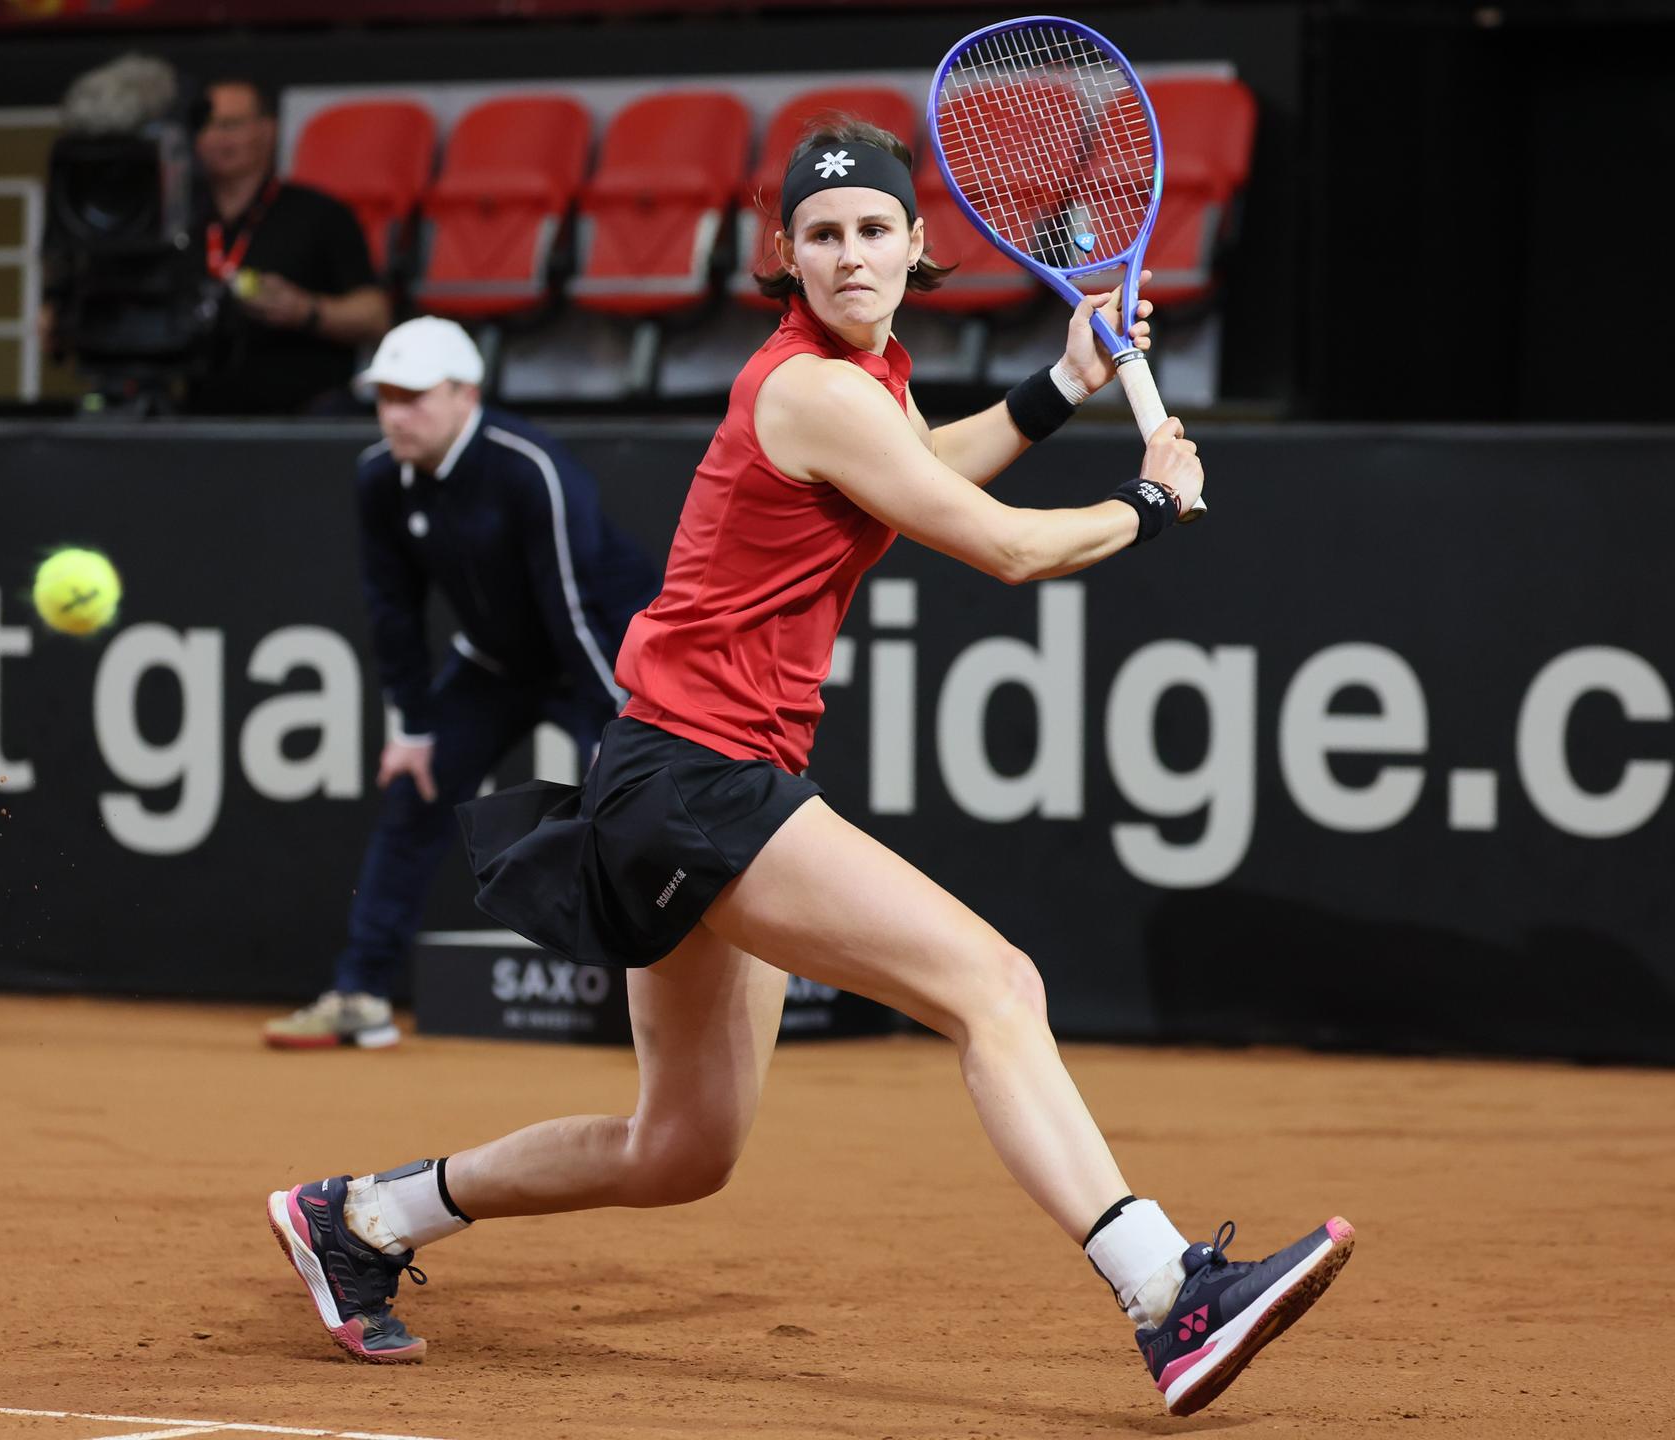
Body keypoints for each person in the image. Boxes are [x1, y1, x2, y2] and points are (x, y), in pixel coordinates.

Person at [265, 120, 1352, 1416]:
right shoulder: (813, 387)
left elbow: (921, 466)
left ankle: (363, 1218)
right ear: (785, 254)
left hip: (665, 782)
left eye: (874, 232)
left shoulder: (863, 386)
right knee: (995, 987)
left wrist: (1059, 387)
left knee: (680, 1150)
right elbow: (1001, 547)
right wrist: (1150, 499)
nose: (849, 256)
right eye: (823, 236)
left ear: (914, 247)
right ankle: (1167, 1293)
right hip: (698, 780)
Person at [262, 316, 661, 1049]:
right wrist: (412, 727)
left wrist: (619, 724)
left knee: (636, 814)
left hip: (605, 658)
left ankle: (671, 1009)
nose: (394, 414)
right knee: (414, 794)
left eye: (413, 397)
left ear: (465, 393)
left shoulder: (528, 467)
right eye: (384, 397)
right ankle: (360, 994)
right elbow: (392, 610)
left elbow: (571, 608)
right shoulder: (379, 476)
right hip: (494, 663)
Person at [185, 77, 391, 415]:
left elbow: (375, 316)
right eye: (206, 125)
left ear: (268, 130)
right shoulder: (177, 221)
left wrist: (306, 310)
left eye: (231, 125)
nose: (216, 137)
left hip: (302, 414)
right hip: (191, 411)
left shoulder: (319, 214)